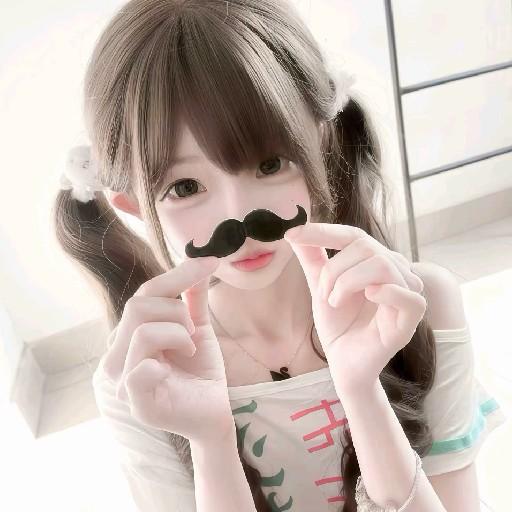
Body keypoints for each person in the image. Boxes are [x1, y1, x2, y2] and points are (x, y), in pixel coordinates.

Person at [53, 1, 507, 511]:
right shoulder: (140, 379)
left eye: (269, 164)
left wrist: (361, 392)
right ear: (134, 205)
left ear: (321, 143)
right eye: (185, 187)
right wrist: (211, 442)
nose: (239, 218)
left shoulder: (418, 307)